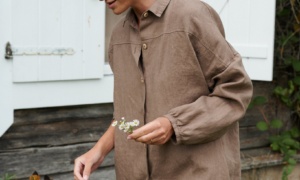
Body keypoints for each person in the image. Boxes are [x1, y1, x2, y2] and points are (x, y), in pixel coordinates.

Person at [74, 0, 253, 179]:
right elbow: (127, 113)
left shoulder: (191, 15)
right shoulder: (119, 35)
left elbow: (236, 91)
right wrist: (98, 151)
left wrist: (174, 124)